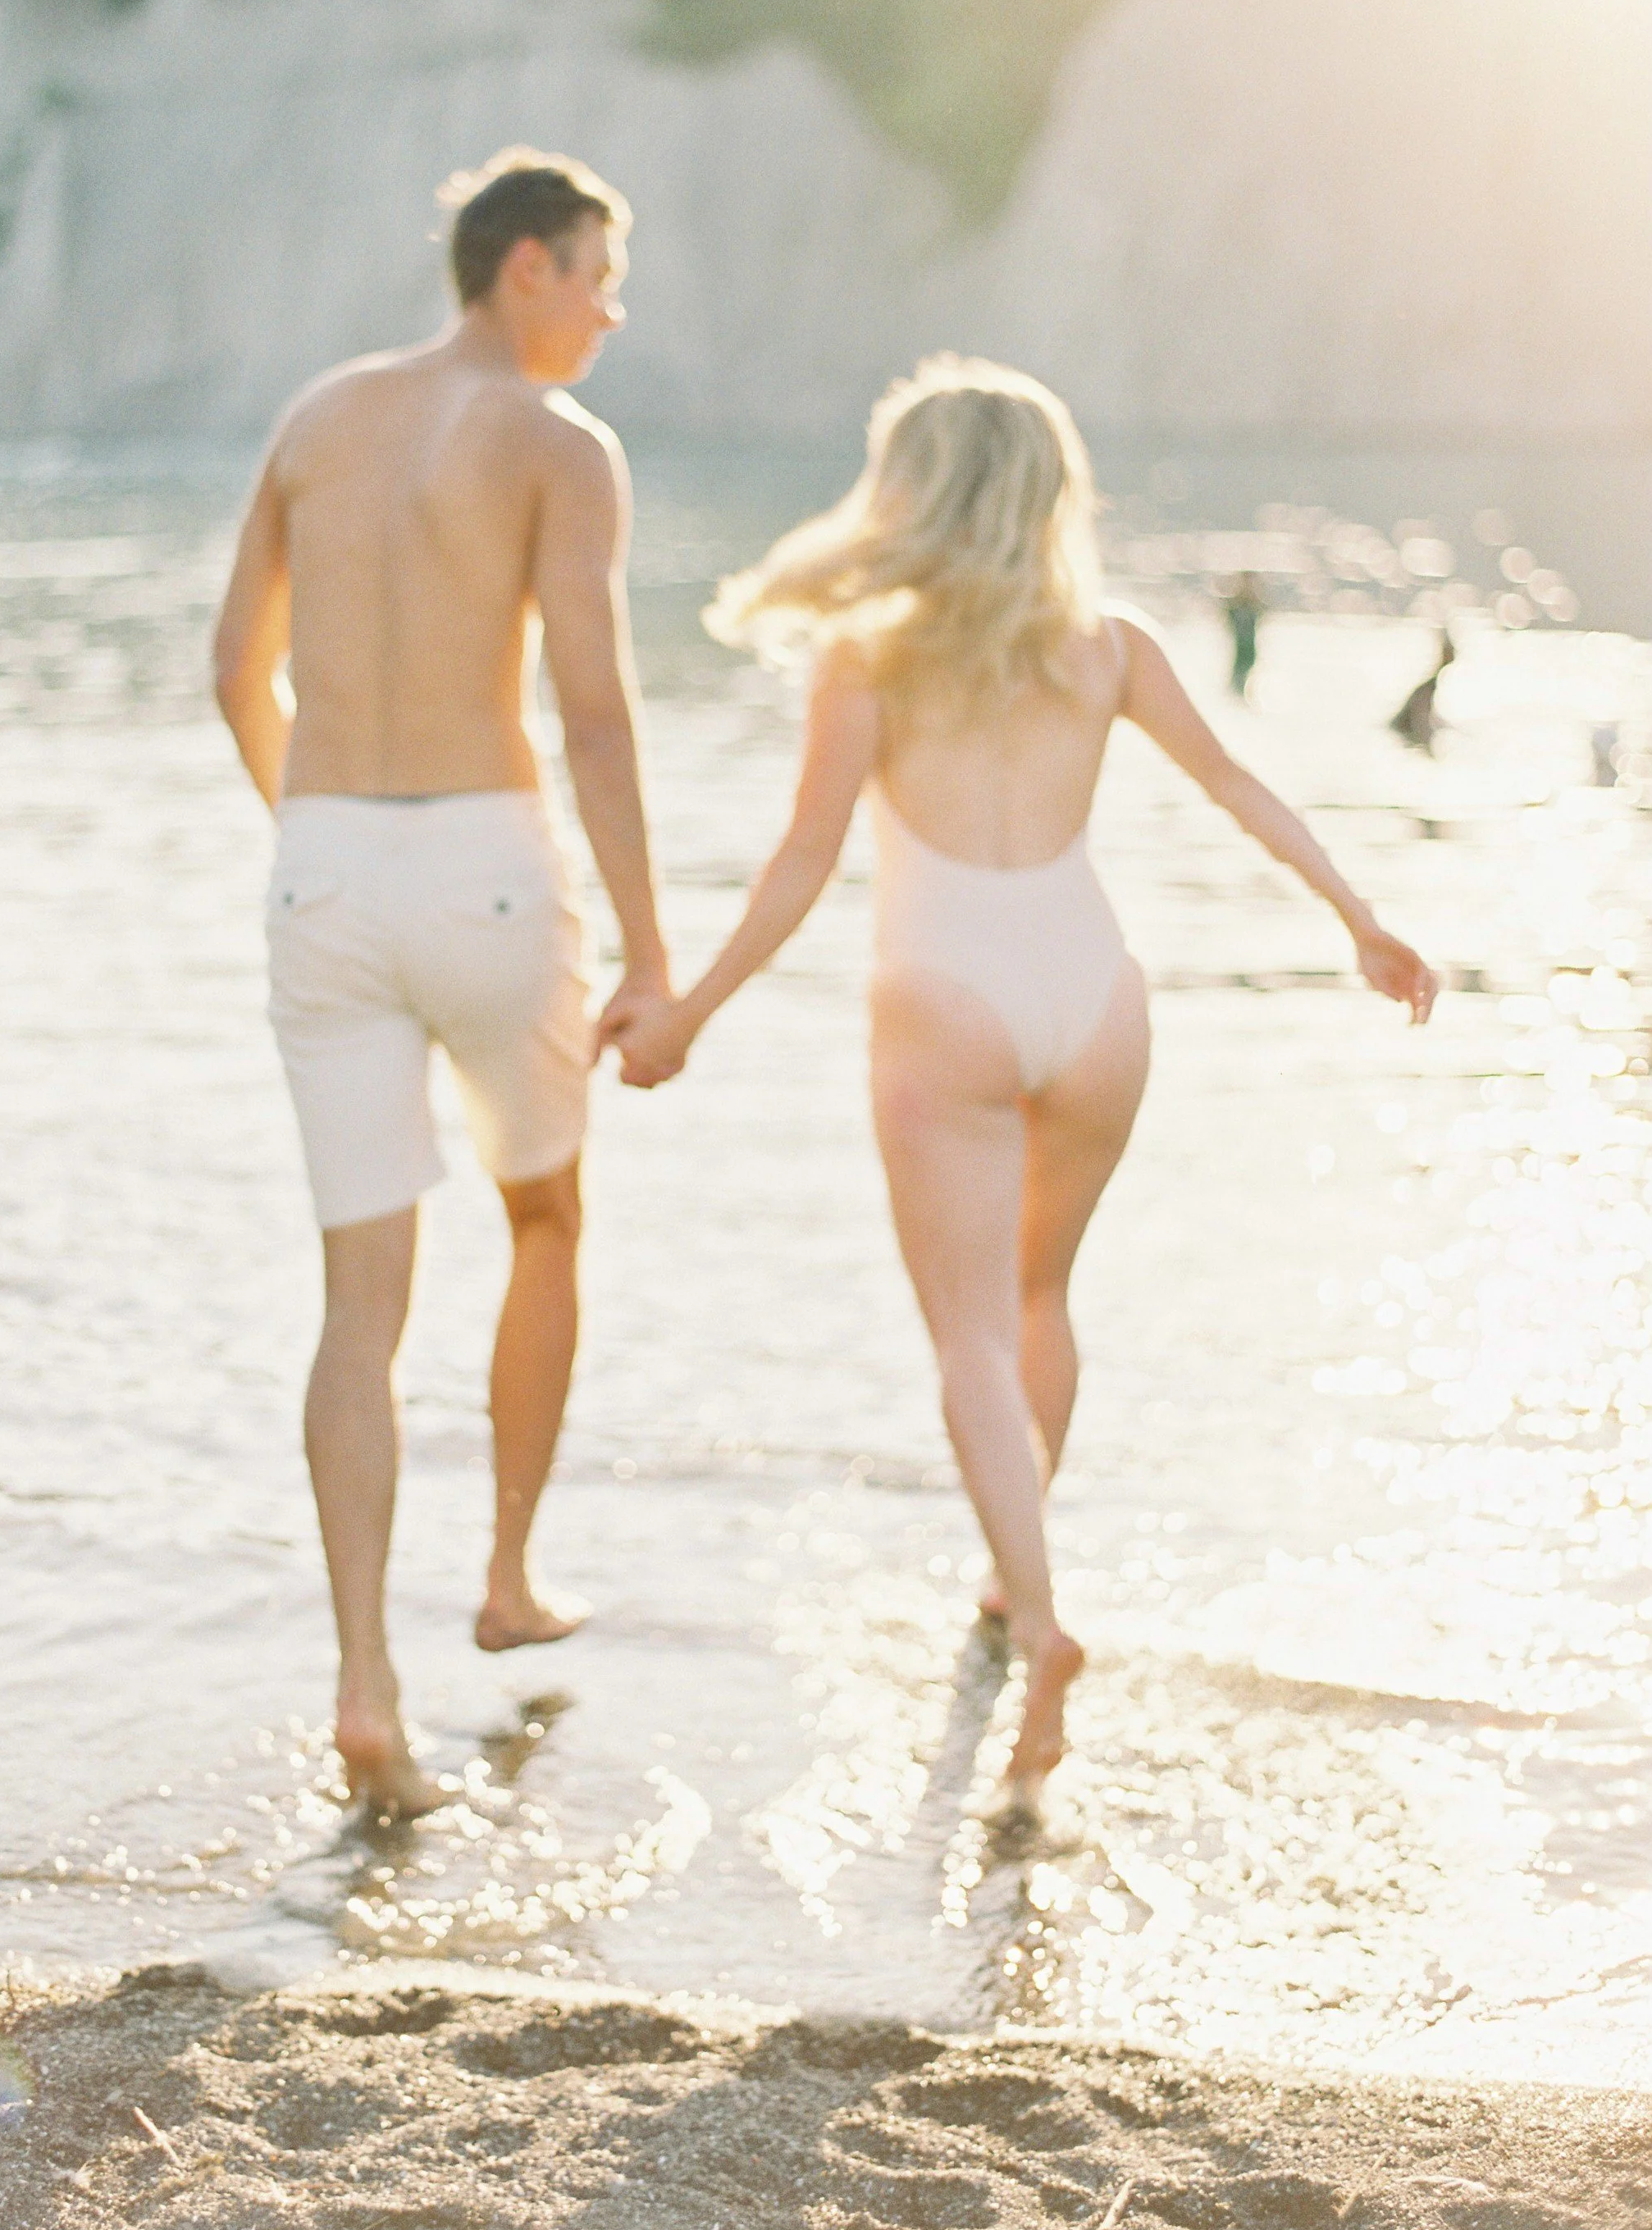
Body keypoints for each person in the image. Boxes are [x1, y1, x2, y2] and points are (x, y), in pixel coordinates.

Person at [607, 358, 1437, 1804]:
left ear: (911, 494)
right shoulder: (1104, 644)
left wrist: (685, 1010)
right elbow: (1234, 782)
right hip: (1096, 998)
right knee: (1039, 1300)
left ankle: (1039, 1614)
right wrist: (1357, 917)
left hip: (945, 1006)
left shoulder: (868, 655)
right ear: (1051, 491)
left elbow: (802, 865)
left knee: (968, 1338)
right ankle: (1014, 1573)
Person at [213, 150, 671, 1816]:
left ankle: (361, 1686)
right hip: (483, 854)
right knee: (540, 1217)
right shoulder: (556, 446)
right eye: (602, 277)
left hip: (323, 853)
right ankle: (507, 1574)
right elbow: (597, 712)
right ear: (526, 266)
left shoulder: (319, 414)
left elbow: (230, 670)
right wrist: (651, 950)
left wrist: (321, 840)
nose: (612, 312)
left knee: (358, 1299)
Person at [1390, 626, 1457, 752]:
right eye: (1452, 649)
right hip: (1401, 734)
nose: (1456, 653)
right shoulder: (1428, 688)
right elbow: (1420, 722)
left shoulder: (1431, 685)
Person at [1221, 569, 1266, 700]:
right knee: (1236, 688)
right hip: (1240, 654)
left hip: (1250, 653)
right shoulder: (1235, 607)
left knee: (1247, 687)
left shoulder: (1255, 606)